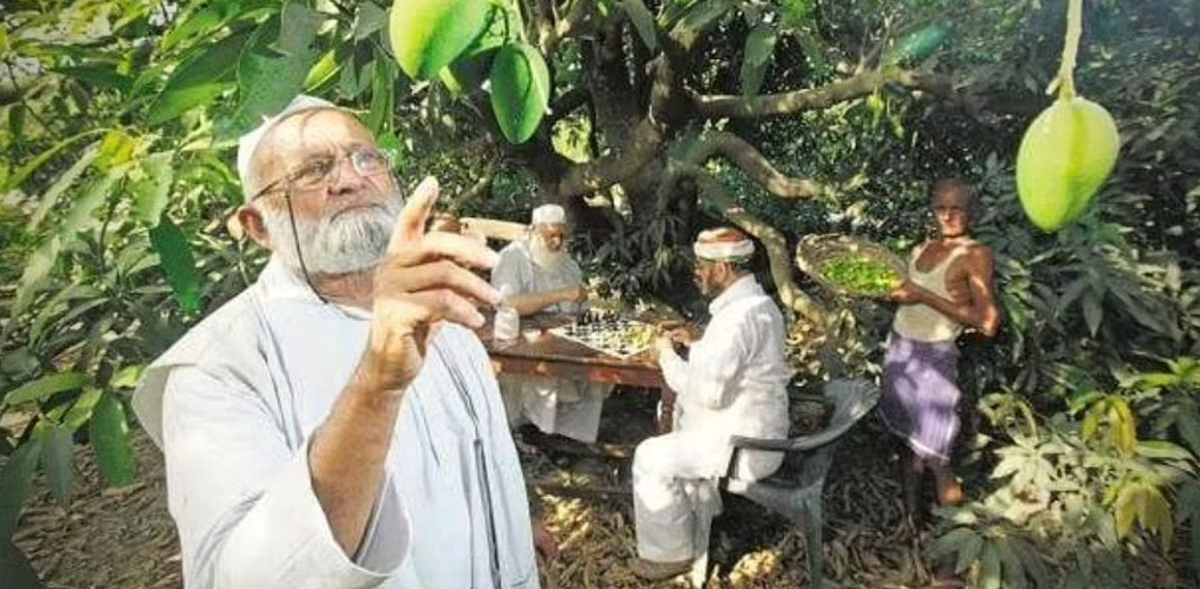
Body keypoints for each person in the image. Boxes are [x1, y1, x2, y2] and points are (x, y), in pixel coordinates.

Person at [131, 95, 553, 589]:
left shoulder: (443, 310)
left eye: (366, 158)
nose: (350, 179)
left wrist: (512, 527)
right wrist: (378, 382)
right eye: (313, 170)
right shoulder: (218, 369)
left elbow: (470, 453)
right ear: (257, 225)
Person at [630, 227, 793, 581]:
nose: (696, 272)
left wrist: (666, 356)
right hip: (760, 428)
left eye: (701, 265)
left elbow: (708, 394)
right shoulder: (759, 305)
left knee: (649, 455)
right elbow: (737, 360)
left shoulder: (735, 321)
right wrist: (700, 341)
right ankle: (703, 515)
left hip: (747, 446)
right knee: (671, 419)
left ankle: (670, 554)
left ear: (722, 270)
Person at [884, 178, 1000, 508]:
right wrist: (896, 294)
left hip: (933, 360)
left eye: (956, 209)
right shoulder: (921, 249)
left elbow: (988, 323)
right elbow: (907, 298)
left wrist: (922, 294)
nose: (947, 216)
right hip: (900, 355)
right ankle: (912, 524)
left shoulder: (975, 254)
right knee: (905, 444)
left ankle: (955, 539)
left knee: (938, 458)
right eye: (940, 208)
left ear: (971, 212)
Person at [490, 205, 607, 444]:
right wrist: (560, 295)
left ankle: (568, 438)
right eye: (550, 235)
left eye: (562, 236)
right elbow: (507, 302)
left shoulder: (568, 264)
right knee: (542, 374)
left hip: (562, 341)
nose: (557, 242)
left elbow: (578, 306)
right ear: (533, 231)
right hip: (518, 342)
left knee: (596, 367)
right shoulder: (513, 257)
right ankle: (529, 433)